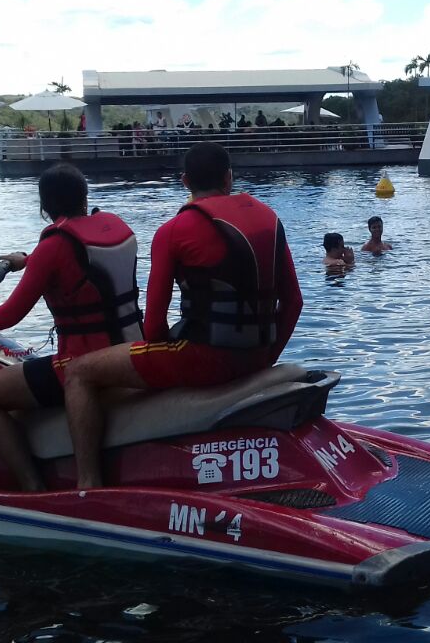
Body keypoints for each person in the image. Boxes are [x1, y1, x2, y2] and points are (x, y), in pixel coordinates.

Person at [61, 142, 303, 489]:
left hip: (204, 360)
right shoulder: (268, 216)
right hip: (258, 356)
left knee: (79, 373)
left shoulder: (172, 231)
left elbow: (156, 326)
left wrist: (156, 365)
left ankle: (88, 486)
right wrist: (263, 358)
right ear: (229, 177)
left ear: (185, 182)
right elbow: (293, 303)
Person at [0, 164, 142, 491]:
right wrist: (29, 261)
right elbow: (80, 263)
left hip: (83, 364)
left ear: (44, 207)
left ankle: (31, 489)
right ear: (84, 196)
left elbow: (11, 314)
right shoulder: (115, 227)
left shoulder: (55, 246)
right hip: (129, 351)